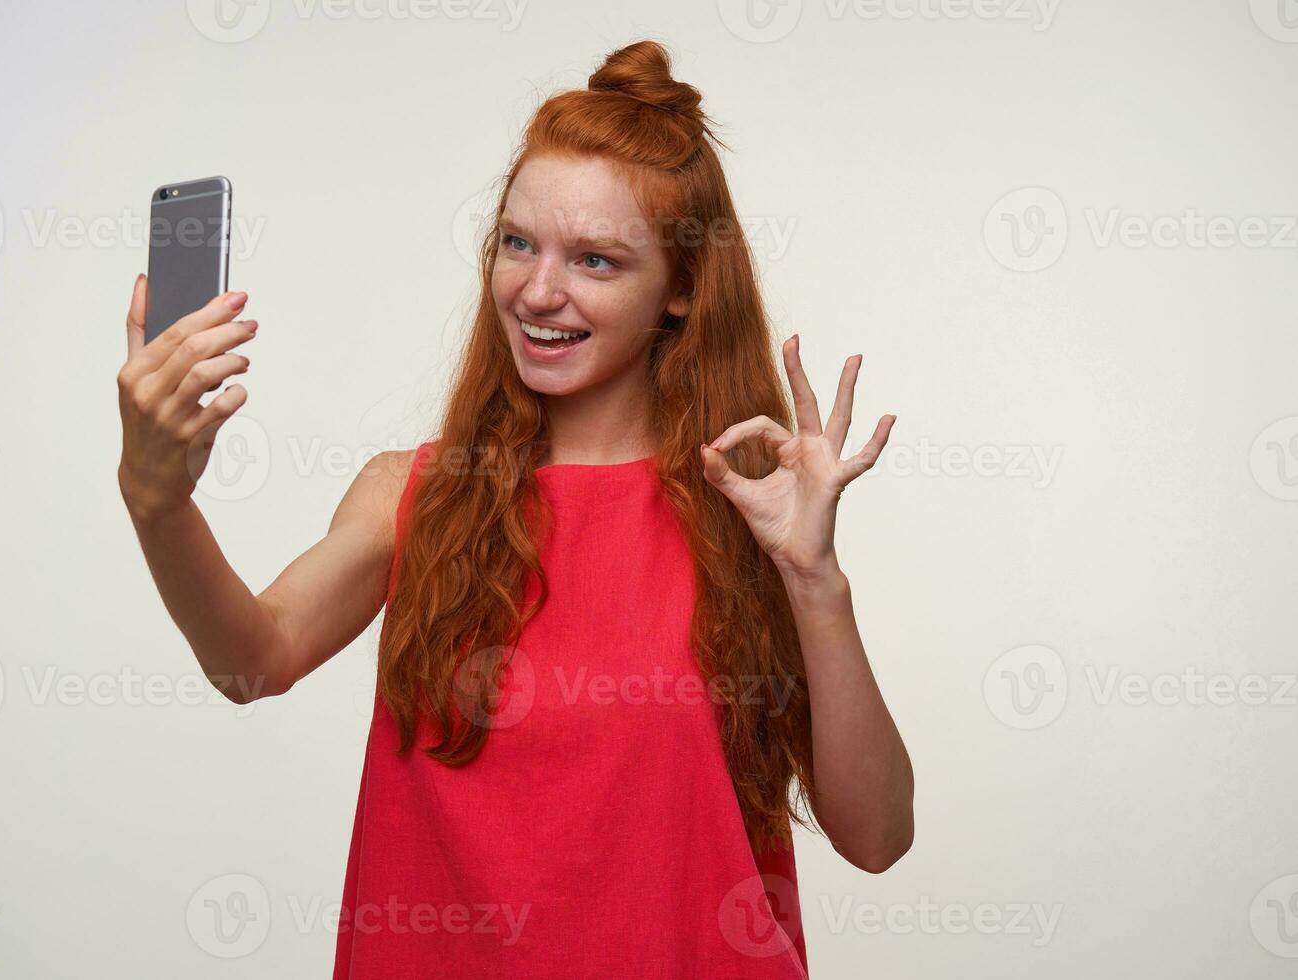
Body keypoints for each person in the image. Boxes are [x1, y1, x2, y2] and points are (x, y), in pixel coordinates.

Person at [117, 39, 913, 980]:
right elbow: (253, 663)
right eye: (518, 242)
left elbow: (877, 836)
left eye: (598, 261)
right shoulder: (411, 492)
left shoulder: (750, 510)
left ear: (684, 290)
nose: (538, 291)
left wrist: (815, 580)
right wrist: (156, 499)